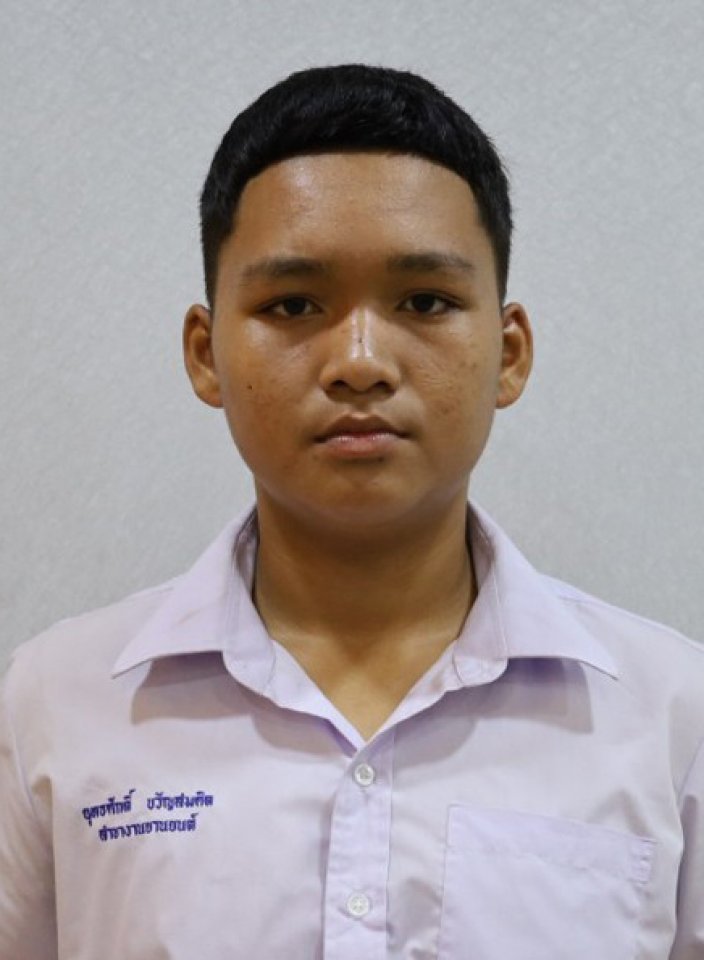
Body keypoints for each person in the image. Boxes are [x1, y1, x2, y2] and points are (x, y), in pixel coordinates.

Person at [0, 63, 702, 960]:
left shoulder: (672, 715)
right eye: (293, 305)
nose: (361, 362)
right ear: (206, 353)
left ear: (510, 352)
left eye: (425, 302)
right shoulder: (55, 703)